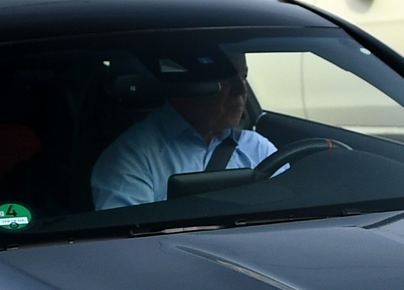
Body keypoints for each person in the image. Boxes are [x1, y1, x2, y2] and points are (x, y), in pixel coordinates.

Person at [91, 50, 279, 209]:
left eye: (244, 77)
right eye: (225, 79)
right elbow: (131, 245)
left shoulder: (258, 148)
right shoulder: (132, 158)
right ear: (186, 83)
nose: (240, 90)